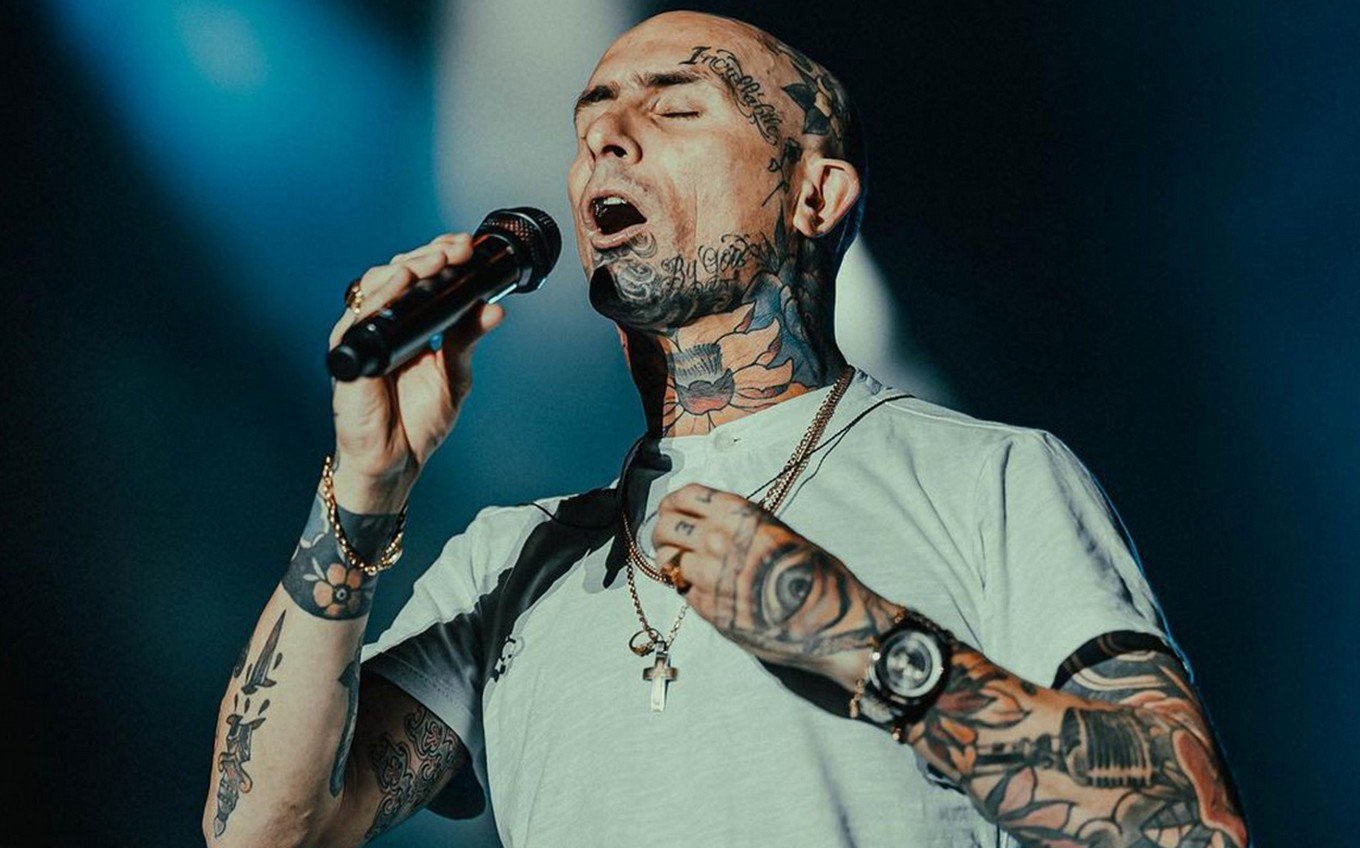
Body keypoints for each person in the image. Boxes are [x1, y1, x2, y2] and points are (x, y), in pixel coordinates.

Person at [204, 11, 1248, 848]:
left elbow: (1187, 823)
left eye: (674, 108)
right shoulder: (507, 561)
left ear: (814, 194)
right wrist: (363, 491)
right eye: (591, 120)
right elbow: (262, 829)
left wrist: (858, 639)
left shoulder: (989, 476)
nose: (607, 137)